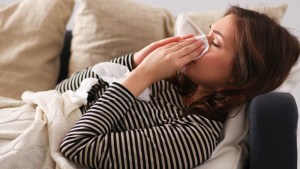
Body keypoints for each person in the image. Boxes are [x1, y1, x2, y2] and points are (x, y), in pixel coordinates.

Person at [56, 5, 300, 169]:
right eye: (208, 32)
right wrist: (134, 61)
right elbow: (62, 92)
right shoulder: (168, 82)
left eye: (215, 43)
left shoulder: (194, 136)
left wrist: (141, 76)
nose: (197, 41)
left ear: (237, 76)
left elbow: (76, 146)